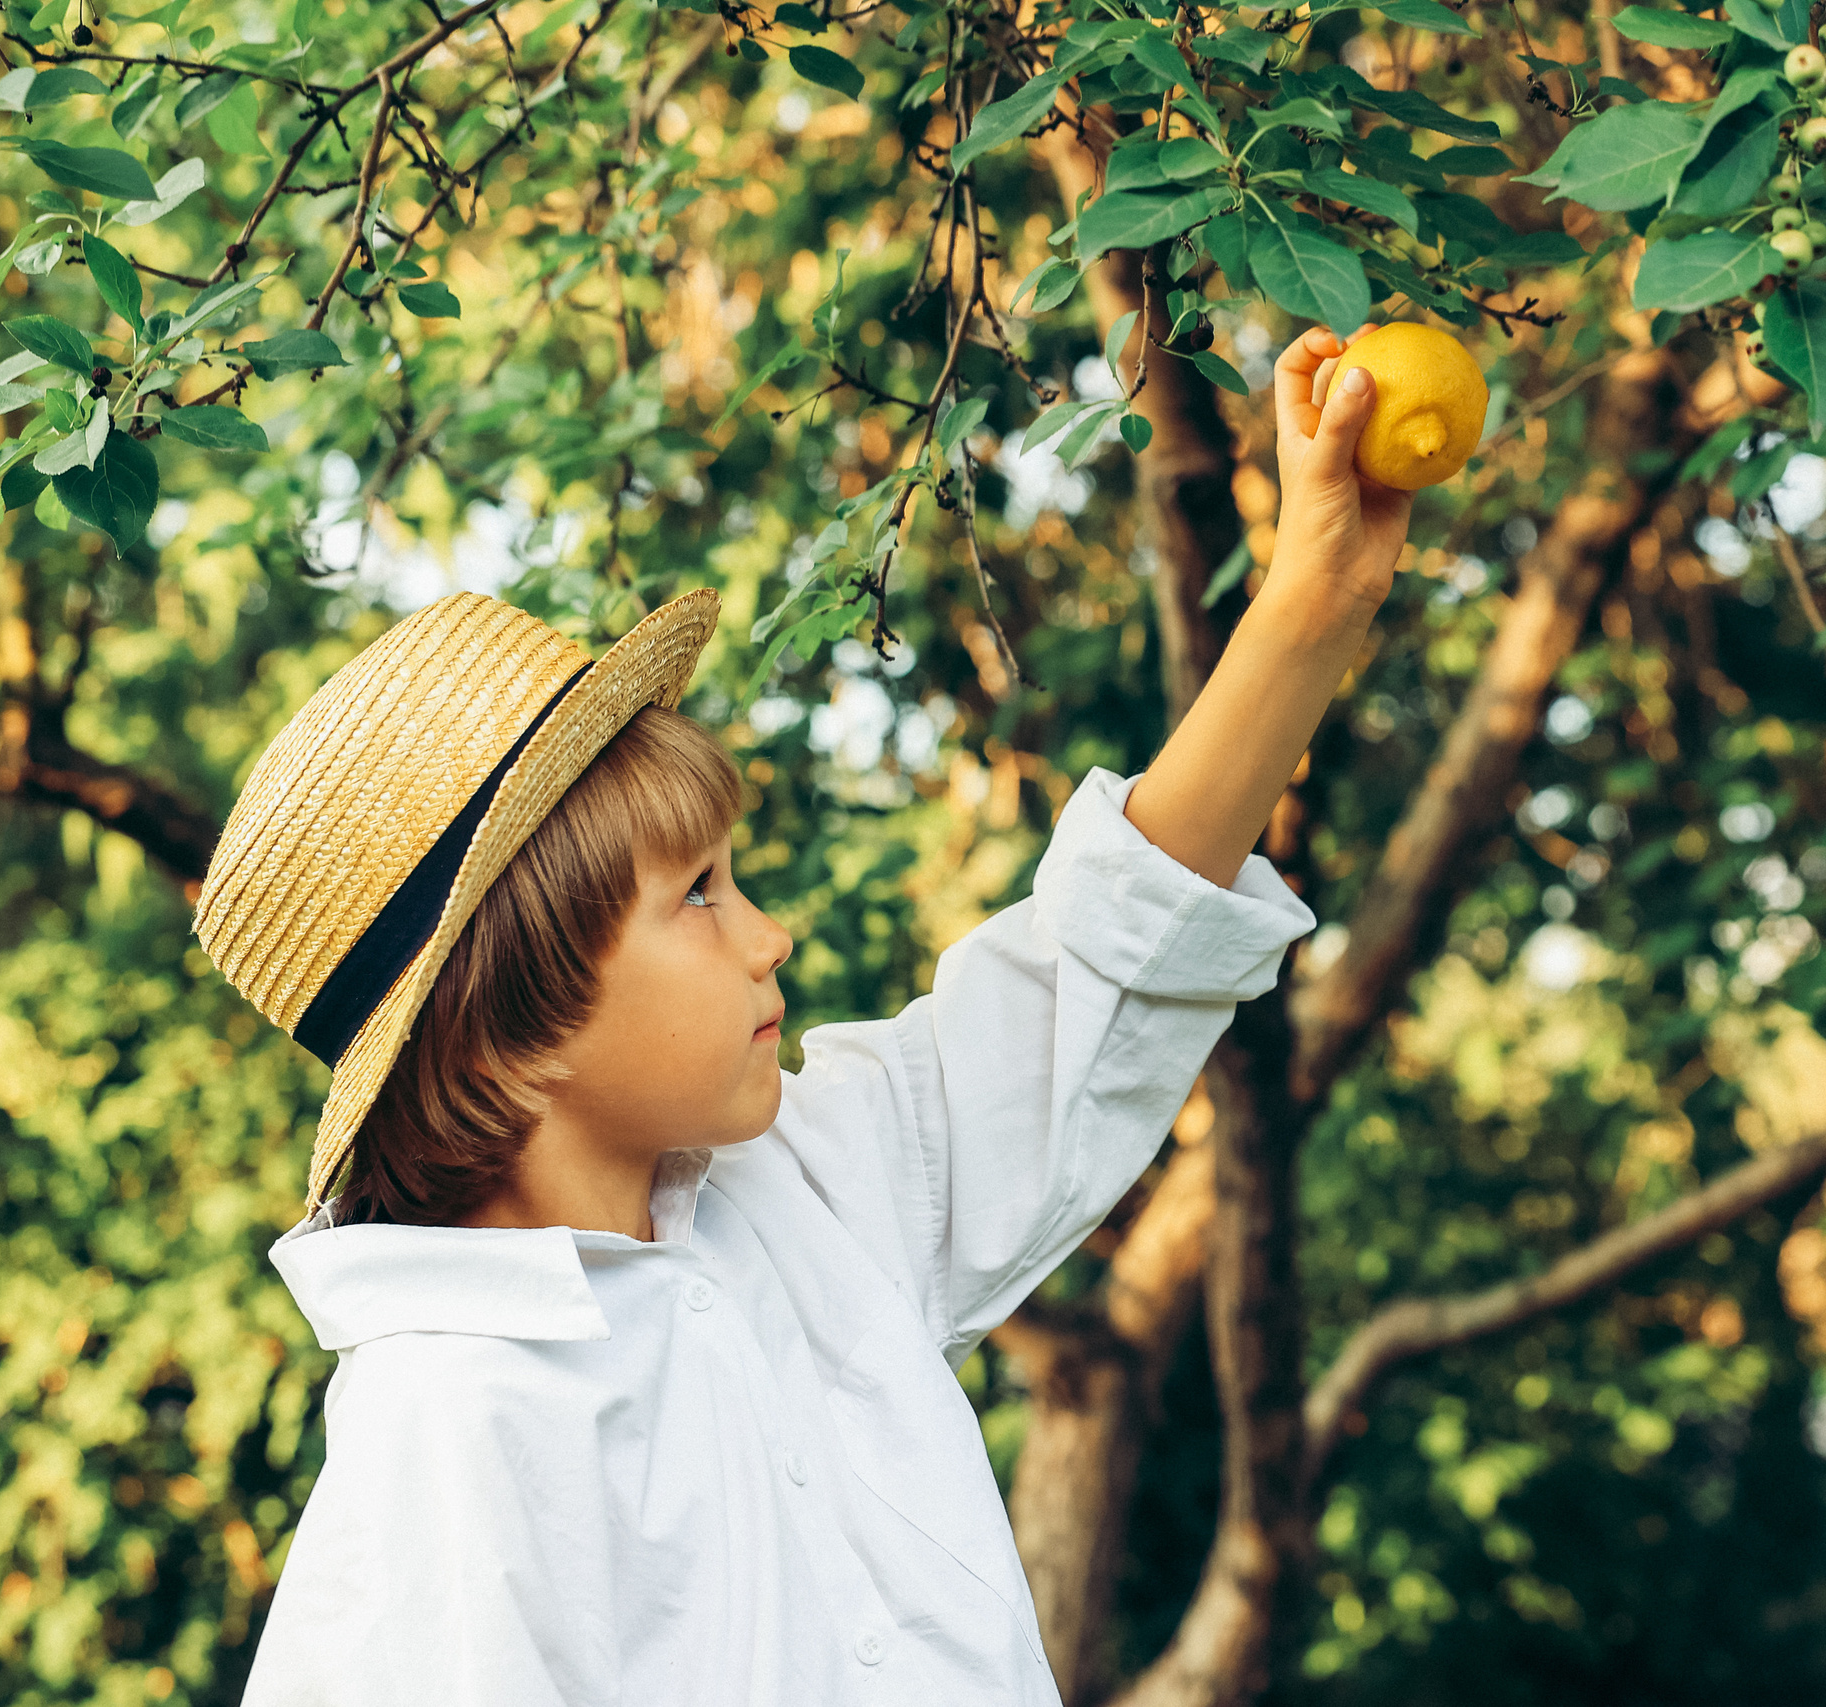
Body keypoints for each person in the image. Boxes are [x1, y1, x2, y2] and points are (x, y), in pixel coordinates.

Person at [198, 327, 1414, 1705]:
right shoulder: (454, 1429)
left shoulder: (798, 1193)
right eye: (700, 896)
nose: (770, 934)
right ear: (520, 1026)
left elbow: (1094, 971)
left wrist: (1314, 600)